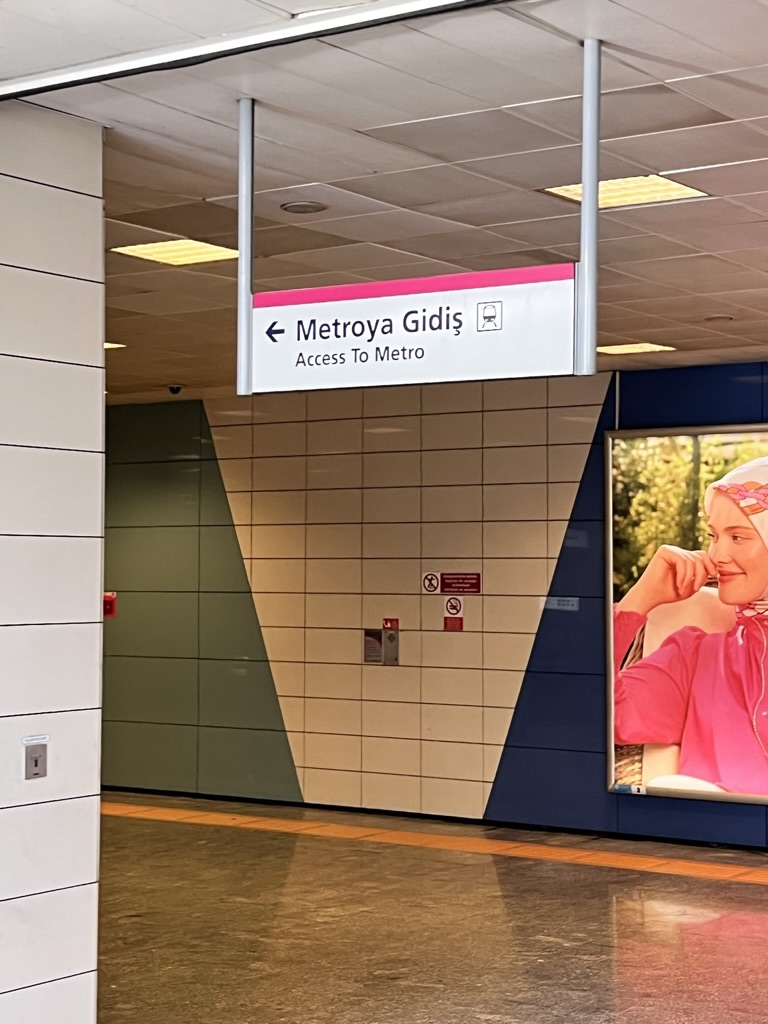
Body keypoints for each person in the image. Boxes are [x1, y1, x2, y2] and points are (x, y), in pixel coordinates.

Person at [614, 455, 768, 795]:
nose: (717, 556)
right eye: (713, 535)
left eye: (738, 537)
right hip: (709, 843)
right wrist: (638, 600)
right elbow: (586, 711)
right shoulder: (695, 656)